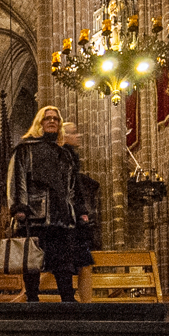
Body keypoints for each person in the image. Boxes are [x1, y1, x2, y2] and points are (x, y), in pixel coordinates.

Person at [7, 105, 89, 302]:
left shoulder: (65, 153)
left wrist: (80, 210)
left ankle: (67, 299)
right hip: (36, 215)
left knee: (64, 262)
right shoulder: (26, 148)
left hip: (62, 215)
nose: (52, 121)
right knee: (34, 262)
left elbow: (73, 186)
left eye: (55, 118)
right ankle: (33, 299)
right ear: (39, 123)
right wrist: (19, 207)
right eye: (47, 118)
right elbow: (18, 179)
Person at [63, 121, 97, 302]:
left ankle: (87, 304)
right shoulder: (63, 156)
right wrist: (79, 211)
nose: (78, 136)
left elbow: (75, 189)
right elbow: (68, 190)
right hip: (68, 221)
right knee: (61, 266)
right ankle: (22, 298)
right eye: (73, 133)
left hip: (74, 220)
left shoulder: (71, 157)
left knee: (84, 263)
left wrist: (82, 211)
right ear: (65, 136)